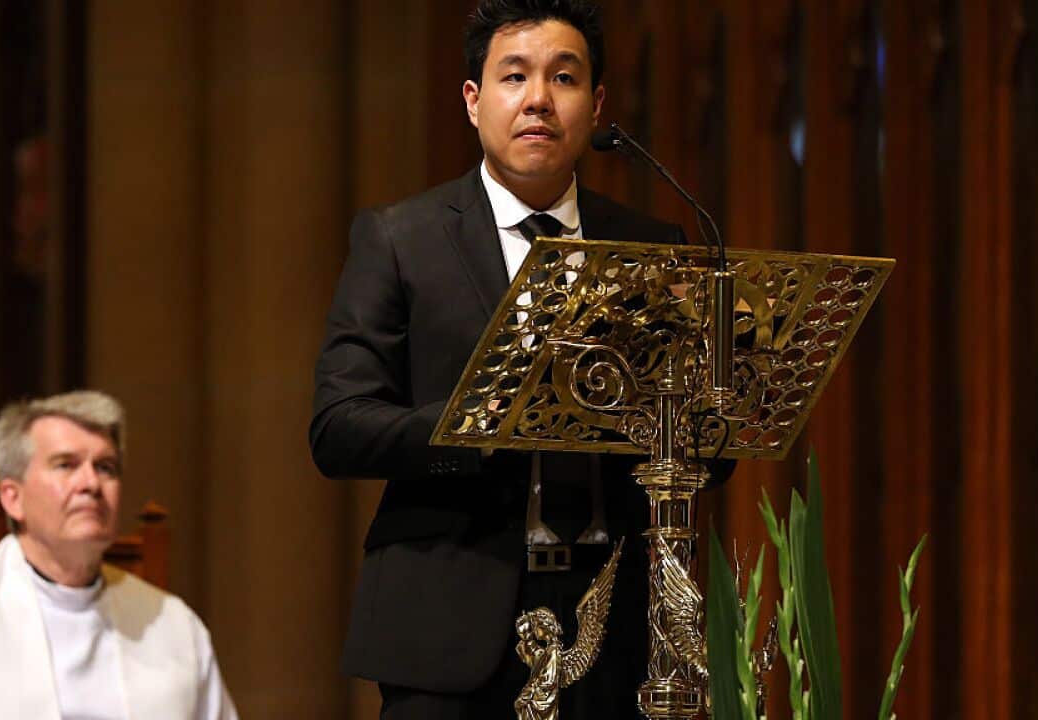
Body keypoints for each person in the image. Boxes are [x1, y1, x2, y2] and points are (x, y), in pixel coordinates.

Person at [311, 1, 733, 717]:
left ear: (596, 105)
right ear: (473, 101)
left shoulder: (652, 244)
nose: (538, 98)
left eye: (564, 78)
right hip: (449, 623)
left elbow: (708, 455)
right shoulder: (400, 238)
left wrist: (710, 408)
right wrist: (485, 422)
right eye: (514, 76)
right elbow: (338, 427)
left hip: (619, 627)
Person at [0, 391, 238, 720]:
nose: (91, 483)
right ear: (13, 498)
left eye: (105, 467)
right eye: (66, 465)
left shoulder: (173, 625)